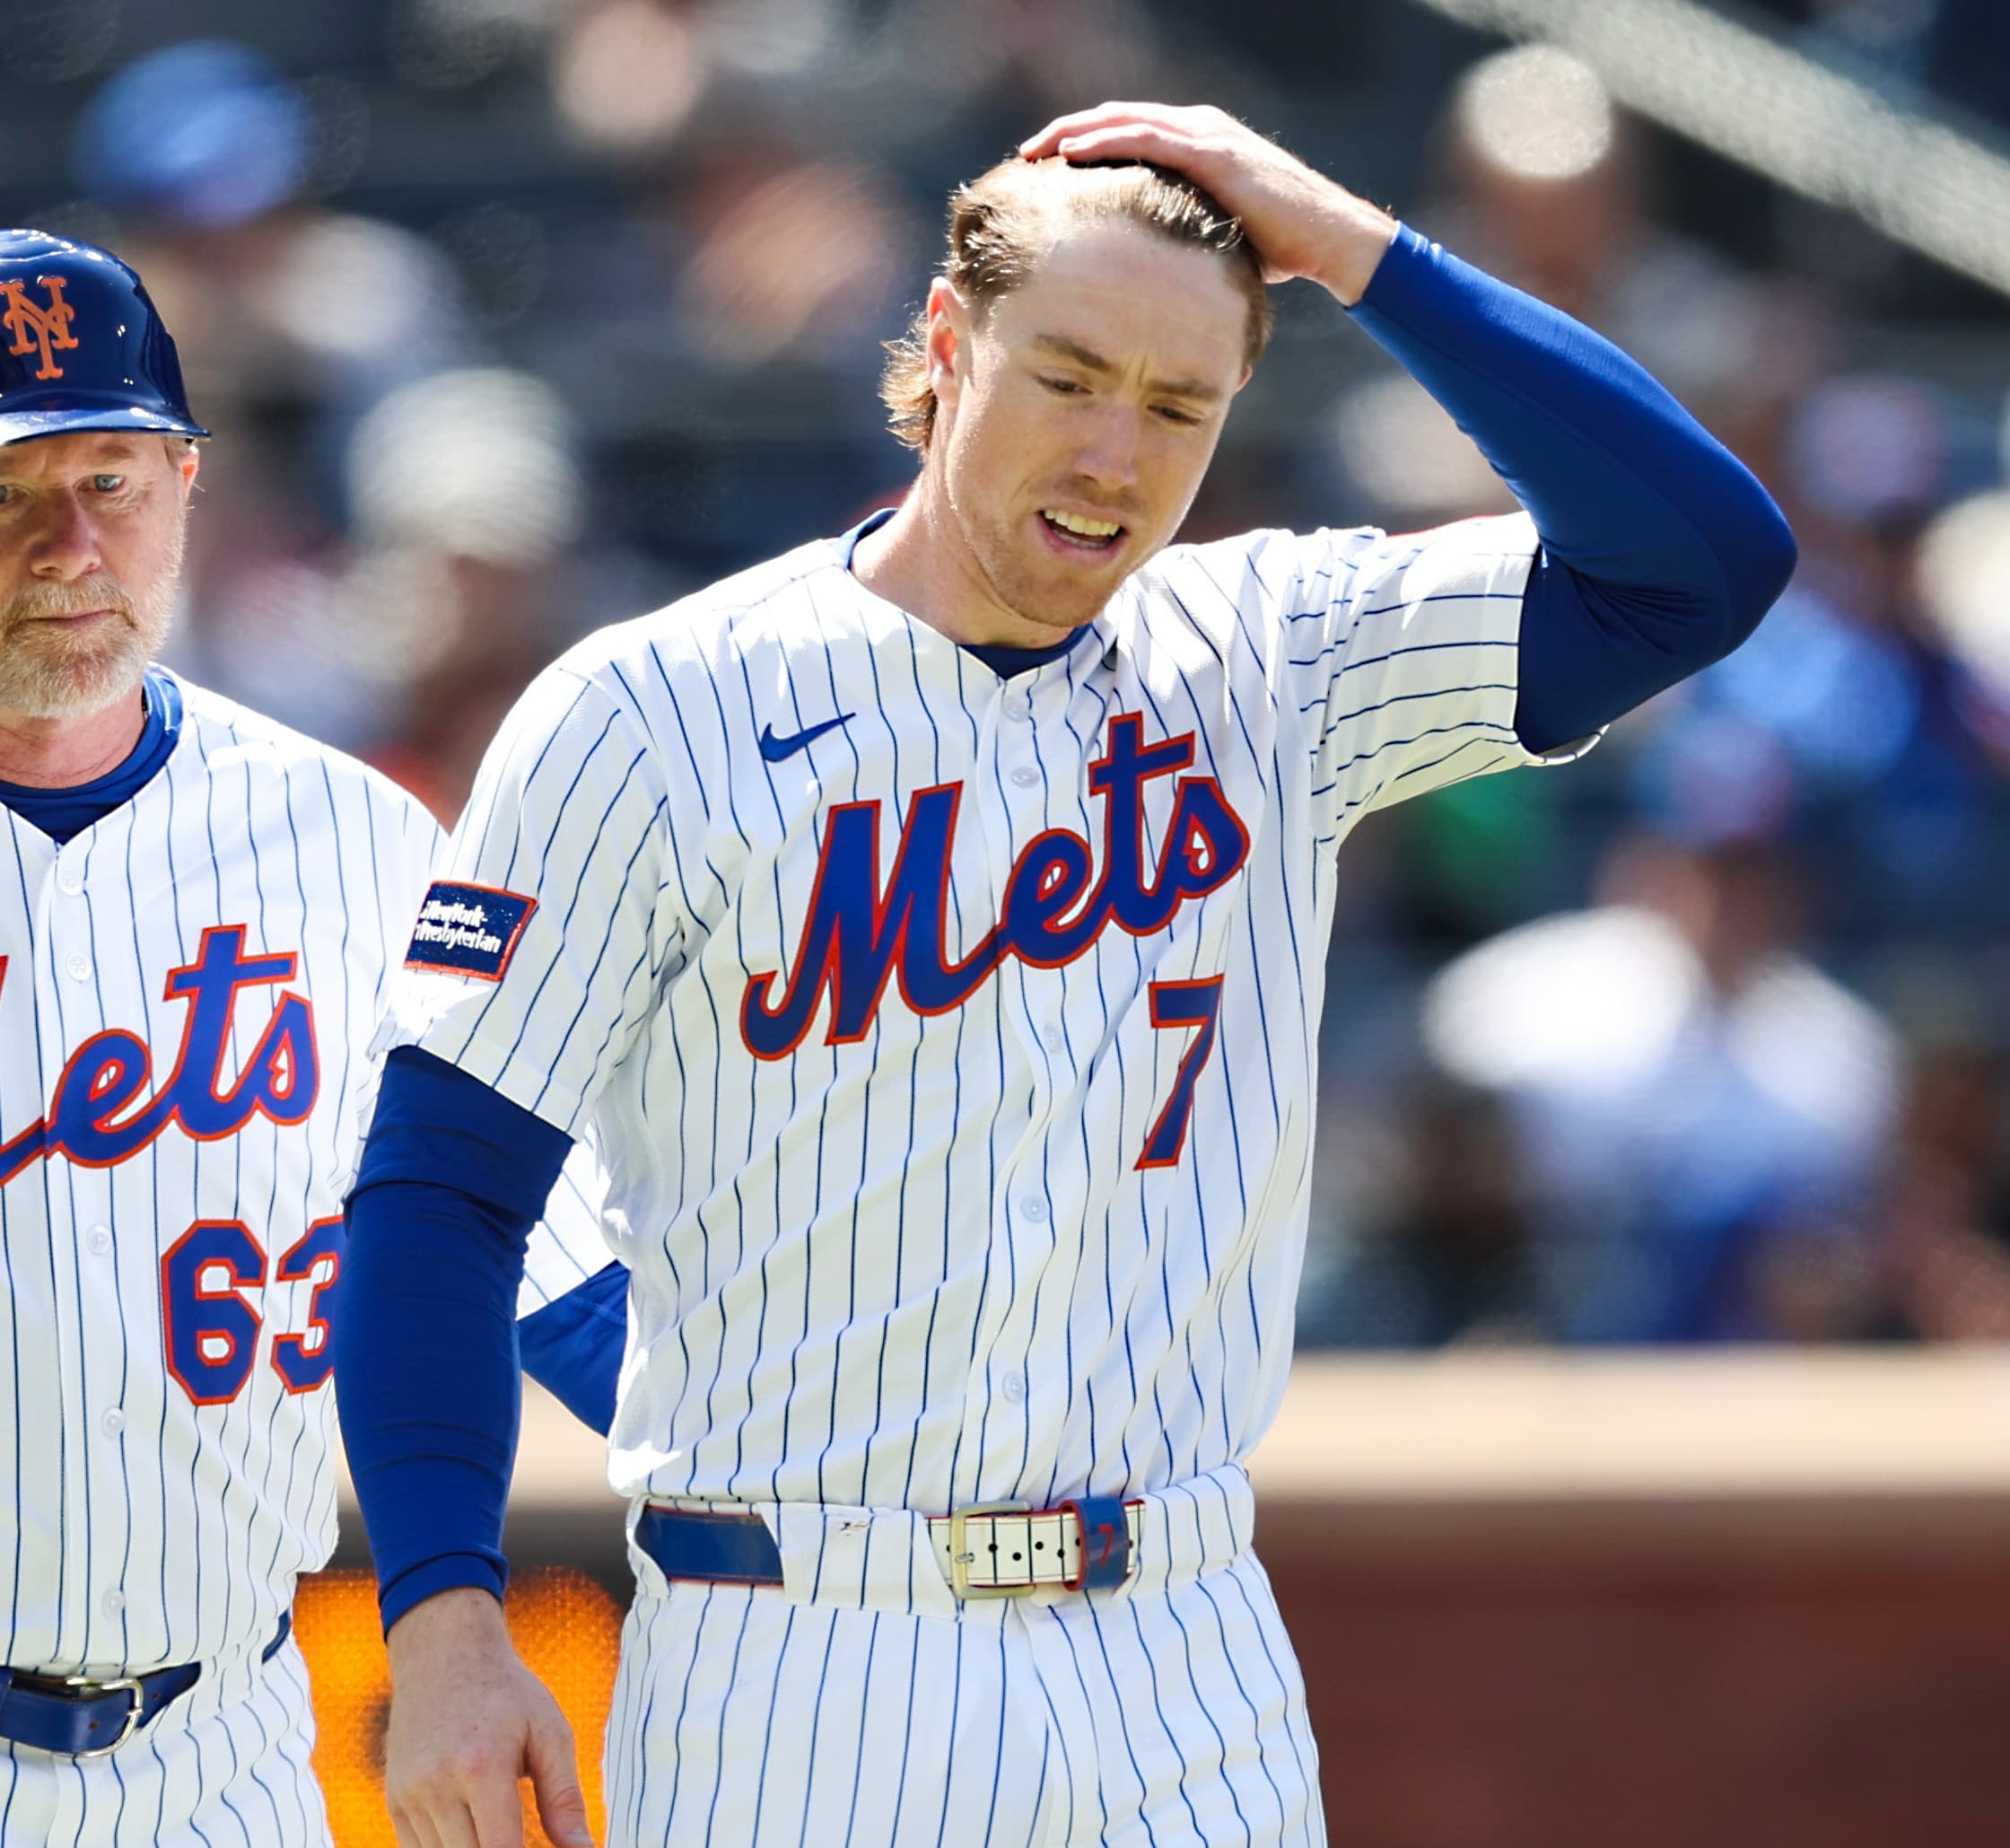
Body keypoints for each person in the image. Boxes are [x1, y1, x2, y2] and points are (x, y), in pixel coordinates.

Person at [337, 102, 1796, 1847]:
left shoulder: (1275, 651)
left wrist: (1355, 250)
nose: (1116, 452)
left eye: (1180, 405)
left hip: (1180, 1635)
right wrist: (440, 1614)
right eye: (1070, 374)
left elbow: (1700, 566)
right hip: (807, 1649)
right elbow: (437, 1191)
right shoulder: (654, 708)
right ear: (948, 347)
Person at [0, 229, 624, 1845]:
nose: (69, 544)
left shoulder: (352, 840)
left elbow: (556, 1279)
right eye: (8, 492)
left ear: (191, 485)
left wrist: (848, 1494)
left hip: (227, 1742)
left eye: (113, 481)